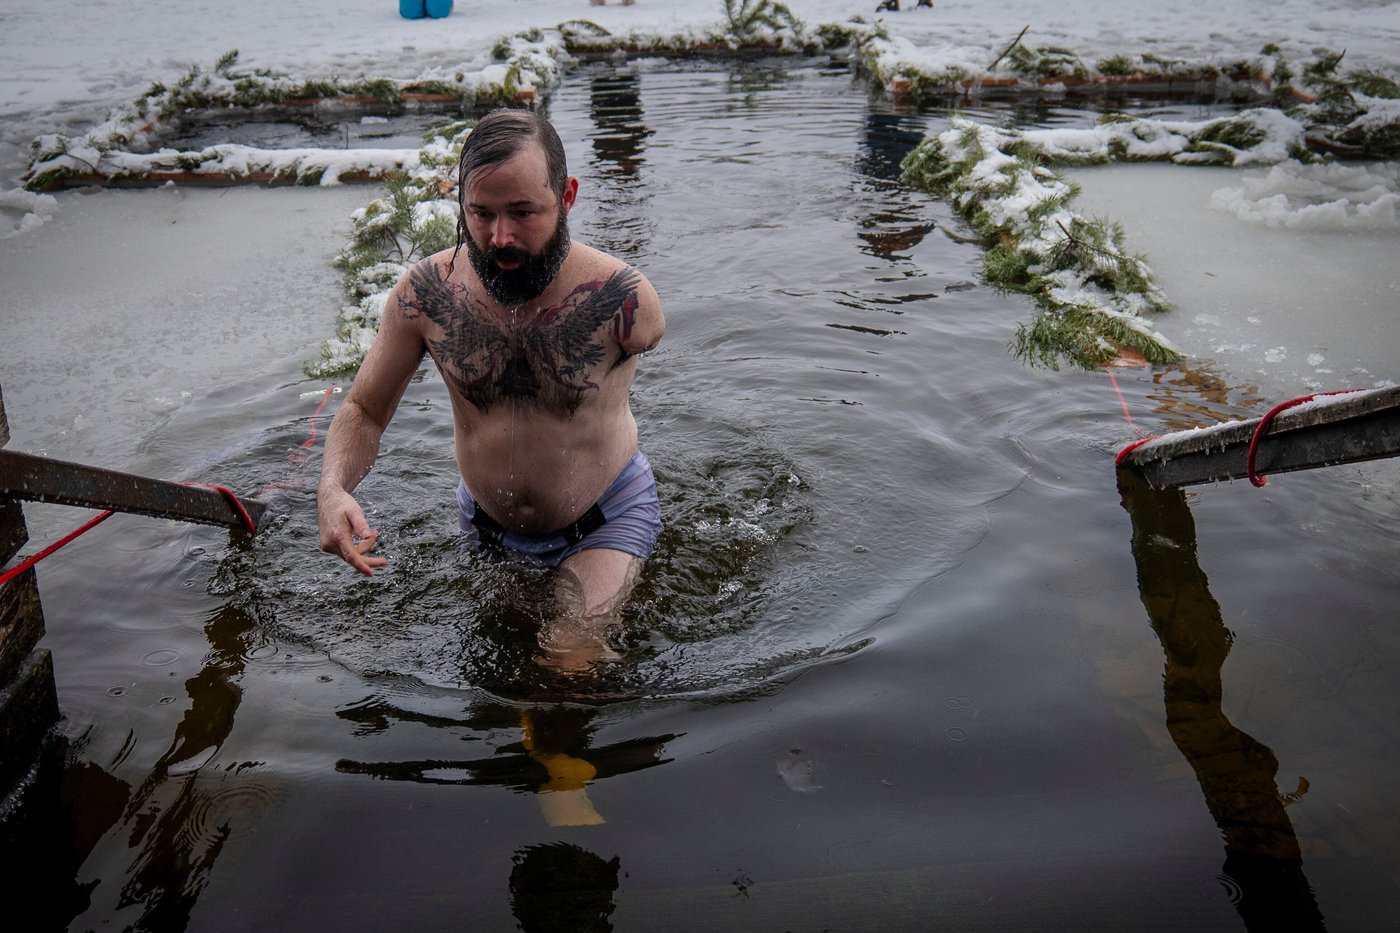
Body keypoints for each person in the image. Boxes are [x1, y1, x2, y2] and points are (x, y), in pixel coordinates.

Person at [317, 108, 665, 669]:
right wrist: (332, 489)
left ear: (568, 196)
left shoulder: (623, 298)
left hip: (603, 517)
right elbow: (363, 410)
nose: (500, 237)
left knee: (565, 668)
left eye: (522, 212)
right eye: (480, 213)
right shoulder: (424, 295)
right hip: (484, 526)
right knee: (486, 669)